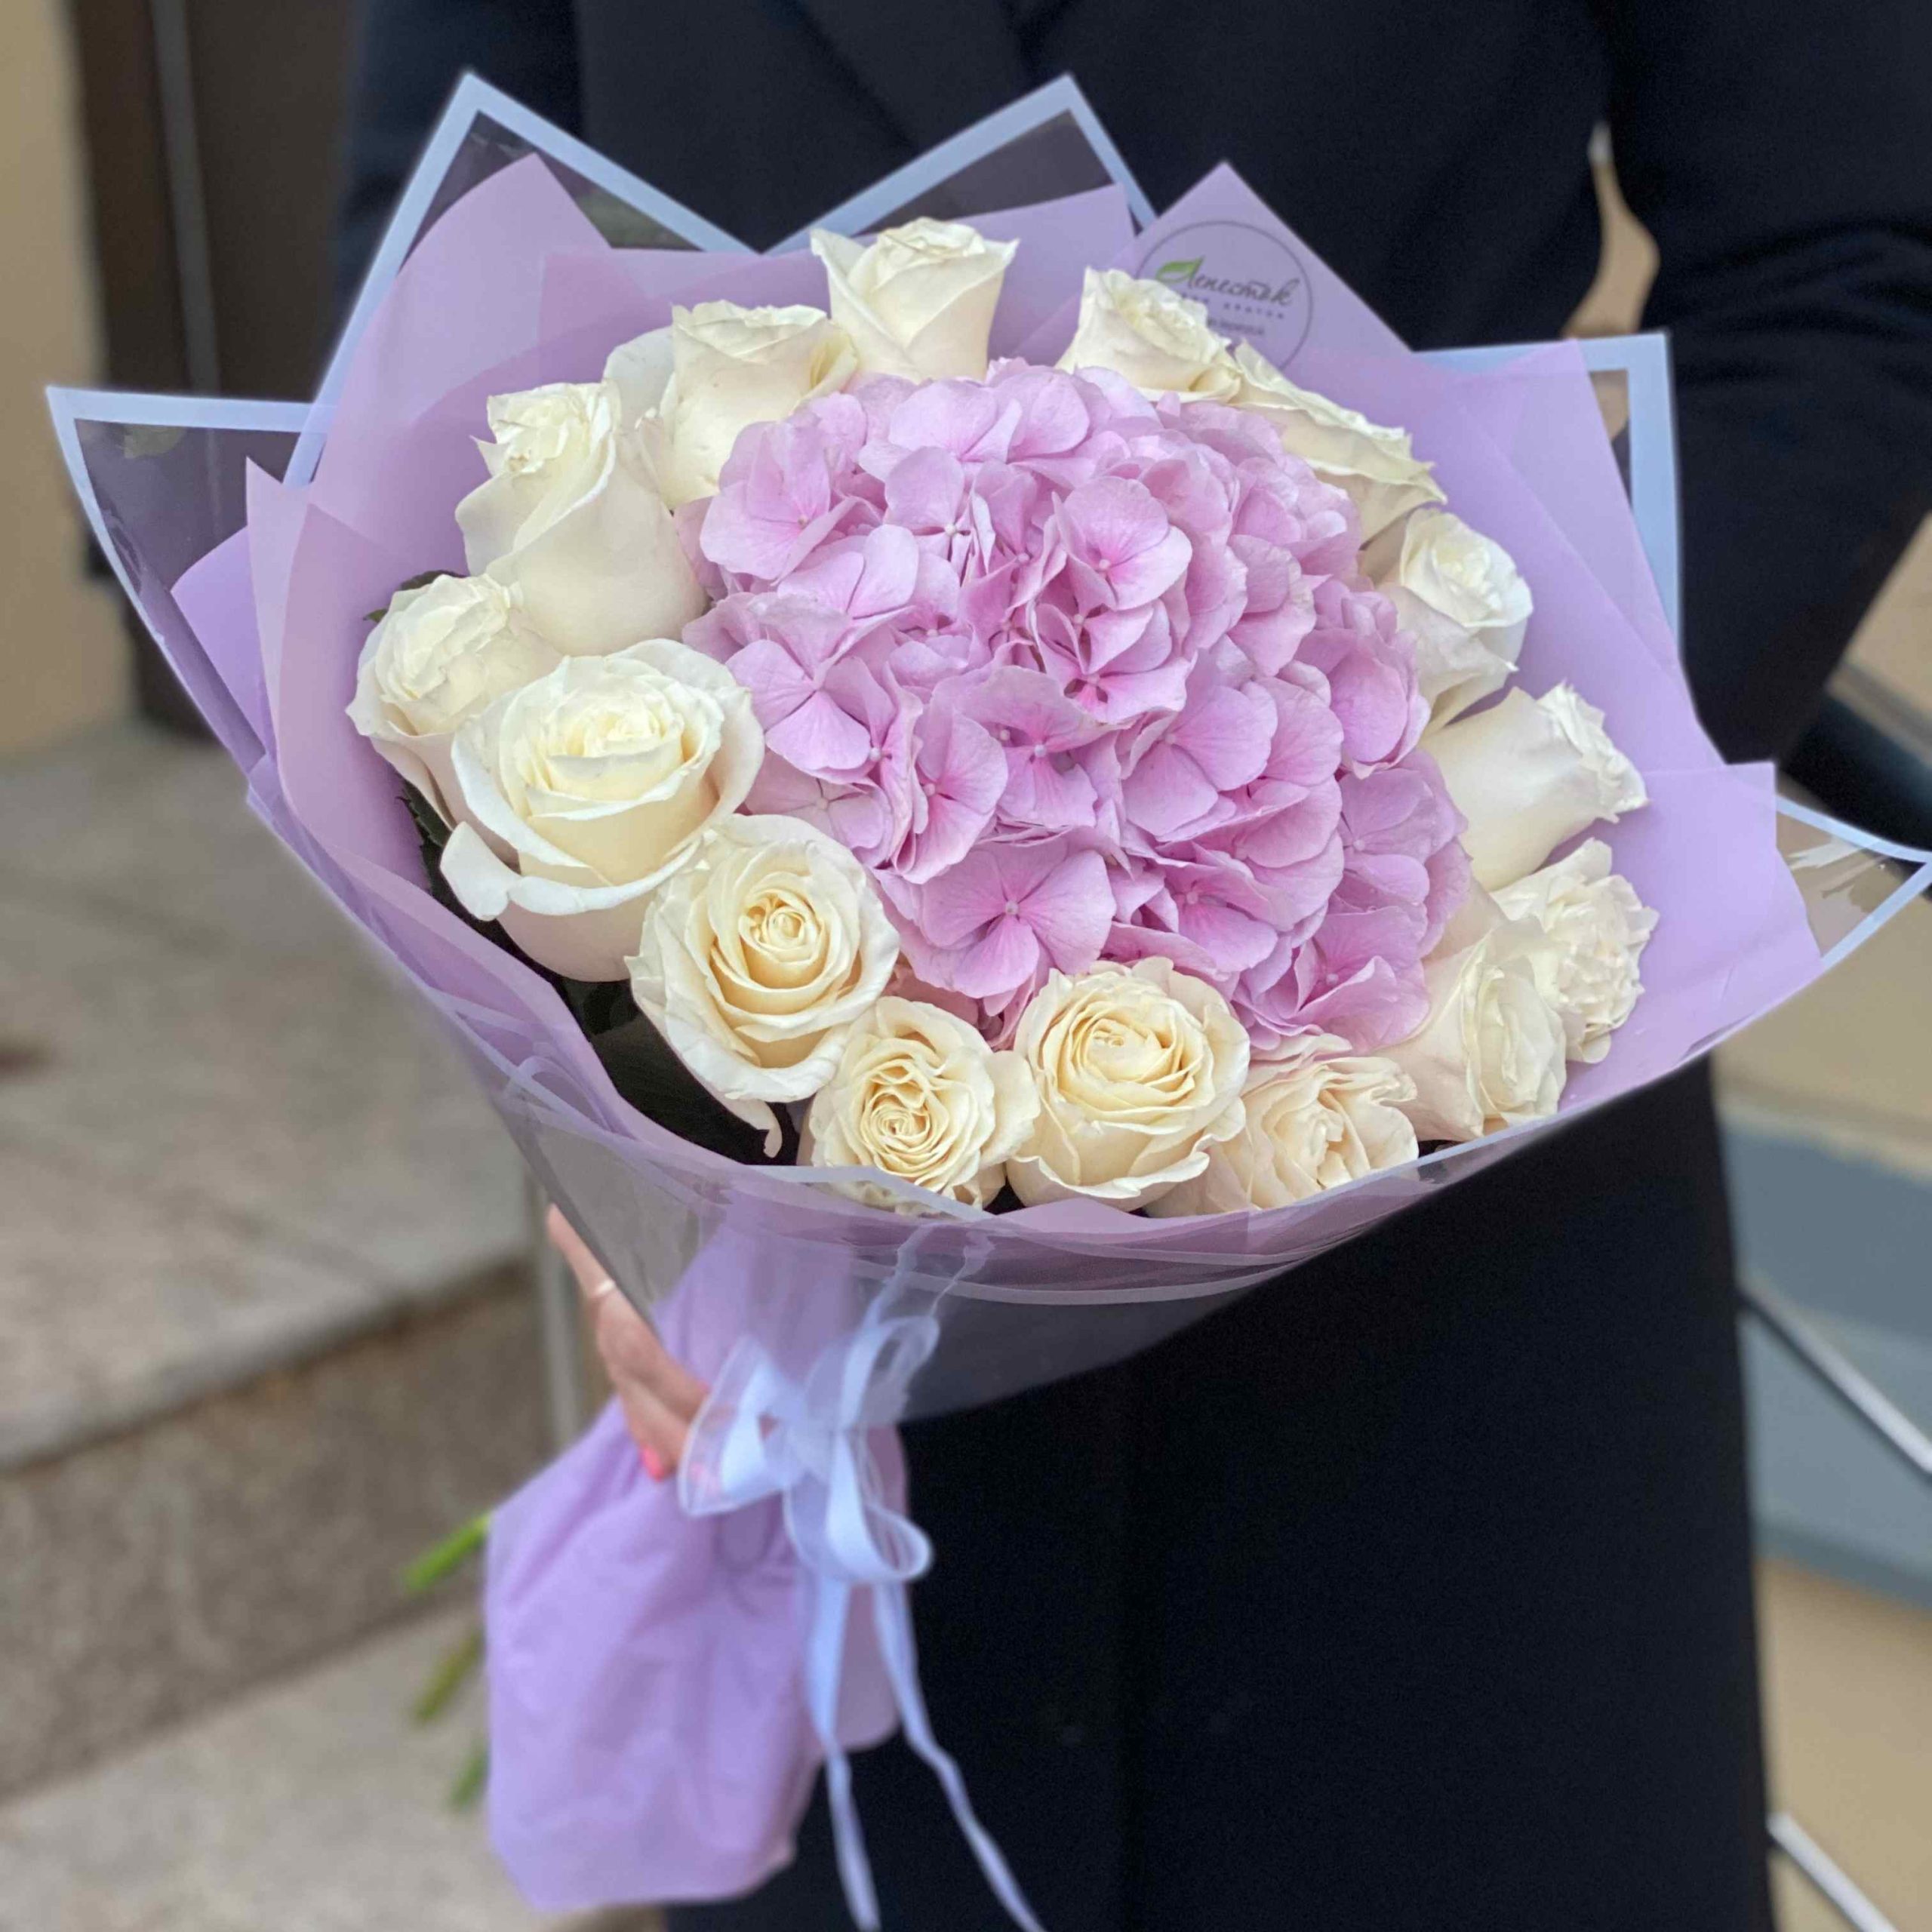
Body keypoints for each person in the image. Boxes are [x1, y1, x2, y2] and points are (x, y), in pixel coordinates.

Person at [339, 6, 1932, 1927]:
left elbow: (1846, 273)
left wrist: (1458, 792)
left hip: (1438, 1160)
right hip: (799, 1217)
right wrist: (609, 1083)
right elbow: (432, 304)